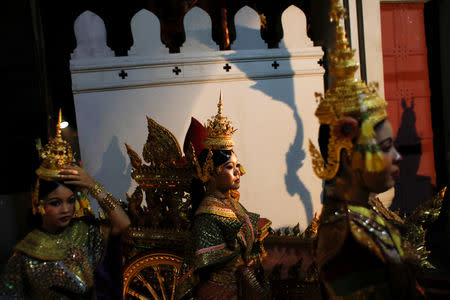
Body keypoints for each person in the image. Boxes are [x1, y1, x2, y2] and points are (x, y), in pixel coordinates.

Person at [308, 1, 425, 299]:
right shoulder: (345, 236)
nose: (397, 156)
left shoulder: (364, 213)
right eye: (385, 147)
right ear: (347, 157)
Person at [0, 111, 130, 299]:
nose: (66, 209)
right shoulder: (24, 257)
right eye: (56, 203)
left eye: (70, 201)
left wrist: (92, 185)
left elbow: (123, 223)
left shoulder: (85, 233)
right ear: (38, 203)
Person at [177, 94, 271, 300]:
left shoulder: (231, 205)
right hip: (220, 293)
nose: (238, 172)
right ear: (210, 171)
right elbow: (222, 257)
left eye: (237, 166)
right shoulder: (207, 213)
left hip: (238, 287)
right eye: (229, 167)